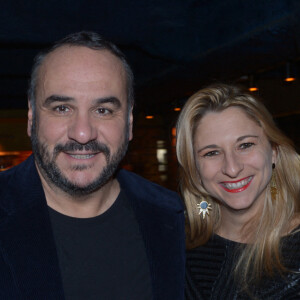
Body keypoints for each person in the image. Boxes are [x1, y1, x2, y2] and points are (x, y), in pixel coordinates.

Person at [0, 31, 185, 299]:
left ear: (129, 124)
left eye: (103, 110)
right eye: (62, 108)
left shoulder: (172, 215)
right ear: (31, 118)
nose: (83, 134)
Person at [176, 83, 300, 299]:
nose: (232, 168)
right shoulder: (178, 240)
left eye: (245, 145)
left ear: (273, 152)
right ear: (195, 168)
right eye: (212, 152)